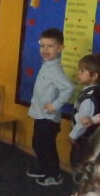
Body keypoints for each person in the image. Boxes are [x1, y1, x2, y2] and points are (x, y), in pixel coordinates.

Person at [26, 28, 74, 186]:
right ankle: (44, 168)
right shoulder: (47, 65)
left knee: (46, 146)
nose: (45, 50)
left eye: (50, 46)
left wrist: (55, 105)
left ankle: (54, 175)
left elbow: (69, 88)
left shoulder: (54, 69)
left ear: (60, 48)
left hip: (48, 118)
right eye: (42, 45)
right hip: (41, 115)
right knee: (38, 144)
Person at [69, 53, 100, 171]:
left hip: (83, 139)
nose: (78, 73)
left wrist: (73, 135)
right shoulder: (92, 91)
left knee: (79, 164)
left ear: (94, 76)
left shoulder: (89, 97)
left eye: (82, 71)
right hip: (86, 138)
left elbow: (83, 121)